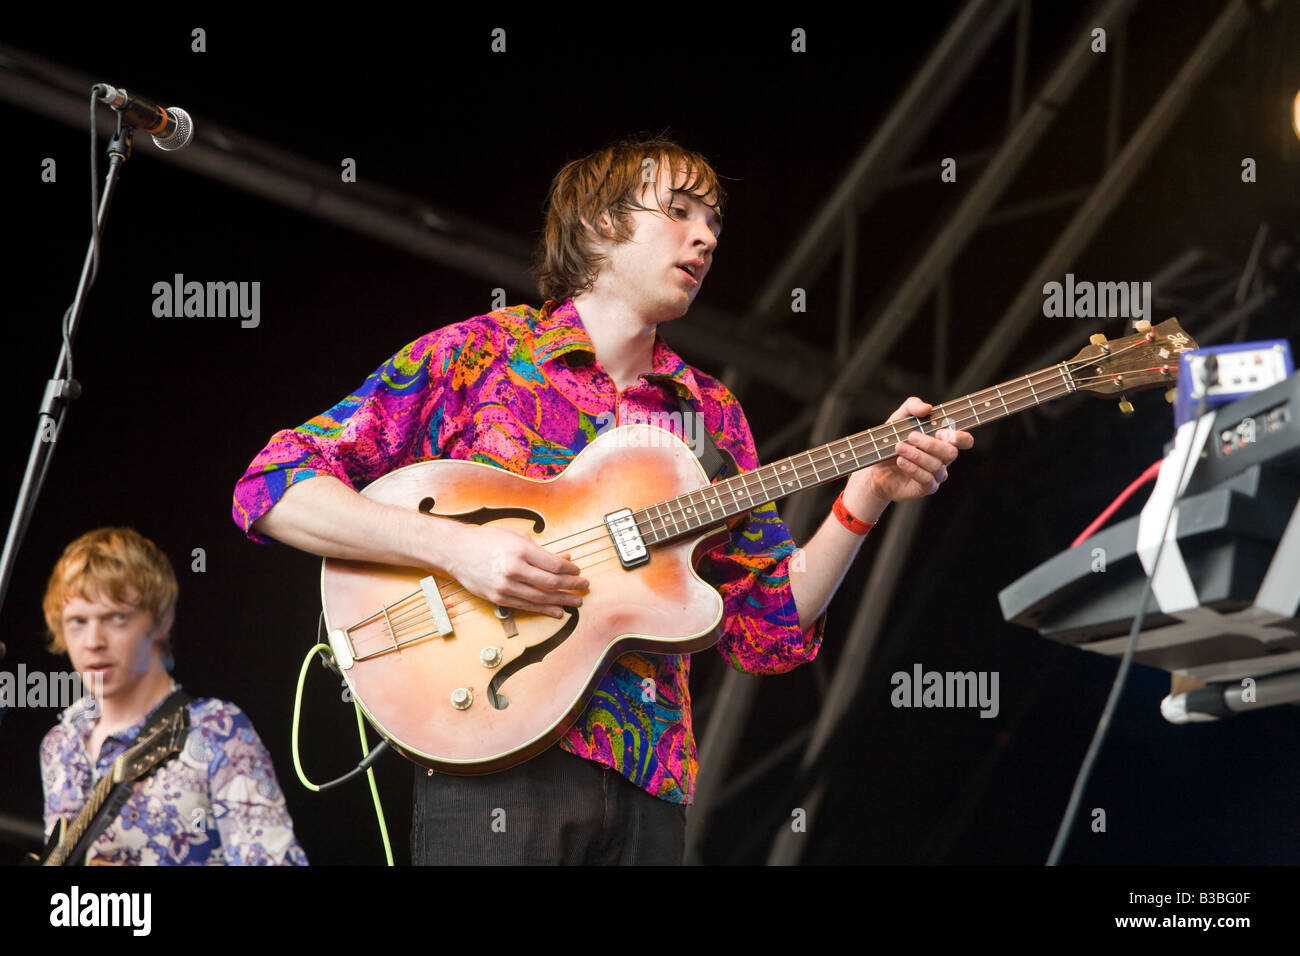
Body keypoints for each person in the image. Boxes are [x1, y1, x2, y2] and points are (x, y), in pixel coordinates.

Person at [232, 136, 973, 864]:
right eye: (680, 211)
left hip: (651, 781)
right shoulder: (481, 355)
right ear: (597, 224)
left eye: (714, 223)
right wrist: (456, 547)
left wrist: (865, 497)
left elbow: (769, 631)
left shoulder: (710, 416)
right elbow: (271, 487)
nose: (705, 237)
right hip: (493, 755)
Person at [39, 527, 308, 866]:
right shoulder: (59, 746)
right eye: (77, 621)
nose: (93, 641)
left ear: (161, 620)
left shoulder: (216, 729)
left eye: (116, 618)